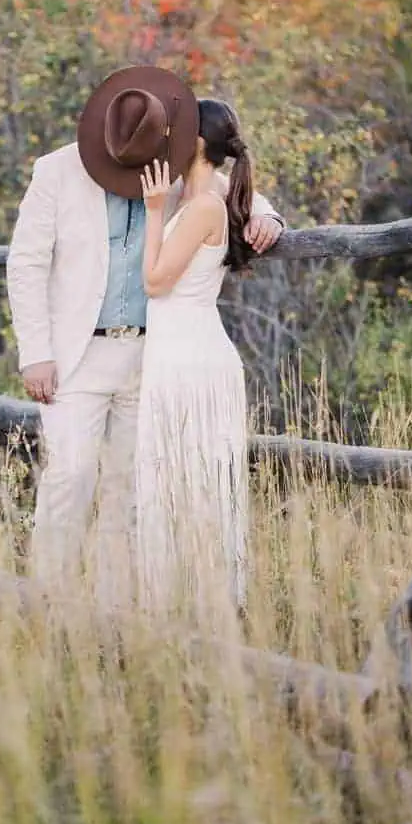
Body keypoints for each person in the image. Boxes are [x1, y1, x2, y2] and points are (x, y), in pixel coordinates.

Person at [6, 66, 283, 607]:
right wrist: (35, 354)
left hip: (150, 356)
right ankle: (50, 606)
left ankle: (114, 612)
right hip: (76, 357)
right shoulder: (56, 172)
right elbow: (26, 264)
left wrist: (271, 217)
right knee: (70, 477)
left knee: (130, 490)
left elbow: (227, 182)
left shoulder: (173, 169)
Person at [136, 98, 259, 614]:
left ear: (200, 144)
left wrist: (154, 213)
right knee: (174, 475)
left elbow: (155, 281)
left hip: (189, 353)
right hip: (178, 348)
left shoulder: (204, 204)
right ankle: (176, 602)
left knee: (196, 479)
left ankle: (205, 604)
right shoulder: (202, 194)